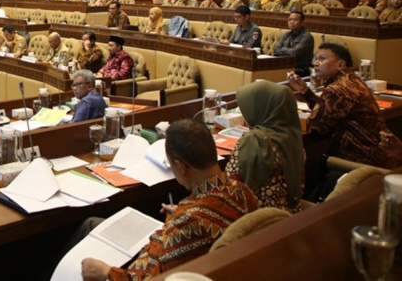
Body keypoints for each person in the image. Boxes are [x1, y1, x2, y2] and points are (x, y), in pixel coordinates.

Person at [80, 119, 258, 280]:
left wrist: (106, 272)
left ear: (180, 167)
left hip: (140, 271)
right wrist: (183, 212)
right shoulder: (242, 191)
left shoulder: (188, 222)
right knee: (93, 223)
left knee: (88, 227)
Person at [288, 43, 402, 170]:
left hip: (360, 161)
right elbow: (330, 111)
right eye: (316, 58)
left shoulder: (338, 89)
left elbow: (316, 126)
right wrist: (305, 91)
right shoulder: (351, 79)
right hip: (378, 157)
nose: (315, 63)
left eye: (322, 59)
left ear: (340, 65)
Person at [227, 82, 304, 212]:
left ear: (258, 109)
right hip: (289, 217)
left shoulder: (253, 142)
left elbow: (231, 187)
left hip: (255, 222)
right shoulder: (293, 136)